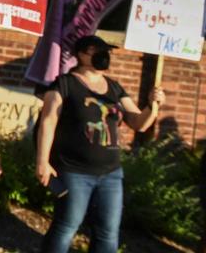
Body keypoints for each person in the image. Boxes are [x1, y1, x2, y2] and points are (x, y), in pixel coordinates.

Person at [36, 34, 165, 253]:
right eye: (97, 50)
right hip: (74, 171)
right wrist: (42, 160)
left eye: (106, 51)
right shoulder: (64, 84)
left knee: (108, 233)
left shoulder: (114, 88)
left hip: (111, 175)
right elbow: (48, 120)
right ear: (82, 54)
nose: (104, 55)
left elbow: (138, 123)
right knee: (66, 226)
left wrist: (153, 106)